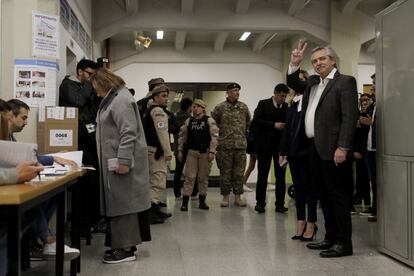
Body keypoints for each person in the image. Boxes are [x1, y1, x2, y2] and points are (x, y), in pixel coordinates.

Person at [287, 41, 358, 257]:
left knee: (338, 197)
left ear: (333, 60)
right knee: (323, 196)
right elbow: (292, 82)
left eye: (322, 59)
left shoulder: (345, 82)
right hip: (313, 148)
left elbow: (349, 117)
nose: (318, 63)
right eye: (314, 61)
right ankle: (330, 237)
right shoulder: (312, 83)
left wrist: (343, 146)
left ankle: (344, 243)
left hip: (334, 149)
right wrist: (294, 63)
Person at [91, 68, 151, 264]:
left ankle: (126, 249)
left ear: (103, 83)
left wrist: (124, 161)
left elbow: (128, 132)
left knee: (124, 205)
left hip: (121, 162)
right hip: (114, 161)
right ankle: (124, 245)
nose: (96, 92)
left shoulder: (121, 100)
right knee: (120, 204)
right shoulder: (115, 97)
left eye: (95, 88)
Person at [59, 59, 104, 235]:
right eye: (89, 73)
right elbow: (77, 102)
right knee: (83, 186)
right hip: (78, 142)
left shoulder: (88, 88)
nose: (91, 78)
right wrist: (89, 85)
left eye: (94, 75)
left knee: (93, 182)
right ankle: (83, 224)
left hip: (90, 139)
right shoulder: (68, 85)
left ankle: (92, 220)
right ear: (79, 71)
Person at [280, 70, 318, 241]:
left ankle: (312, 222)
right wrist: (283, 152)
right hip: (294, 152)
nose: (299, 84)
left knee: (310, 188)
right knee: (298, 188)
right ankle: (300, 220)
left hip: (308, 151)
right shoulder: (293, 104)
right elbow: (287, 130)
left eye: (302, 80)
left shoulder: (311, 102)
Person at [212, 83, 251, 207]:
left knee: (239, 173)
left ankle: (238, 197)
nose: (237, 93)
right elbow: (214, 123)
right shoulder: (220, 108)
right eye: (234, 90)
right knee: (225, 173)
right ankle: (225, 197)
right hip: (225, 146)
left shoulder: (243, 107)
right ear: (228, 92)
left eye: (238, 90)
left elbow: (248, 122)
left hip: (240, 146)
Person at [253, 83, 289, 213]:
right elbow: (256, 121)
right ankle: (260, 203)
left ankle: (280, 204)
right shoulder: (263, 104)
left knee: (281, 176)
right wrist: (273, 125)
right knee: (262, 175)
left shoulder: (286, 106)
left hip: (279, 147)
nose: (283, 99)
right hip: (264, 146)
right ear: (275, 93)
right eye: (281, 96)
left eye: (285, 96)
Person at [178, 99, 219, 211]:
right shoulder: (189, 121)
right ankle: (185, 202)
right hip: (191, 152)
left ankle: (202, 201)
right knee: (189, 177)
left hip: (205, 153)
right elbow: (182, 136)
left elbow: (215, 136)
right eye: (194, 106)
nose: (195, 108)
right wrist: (180, 150)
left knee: (202, 178)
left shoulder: (209, 120)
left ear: (203, 108)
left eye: (198, 106)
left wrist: (212, 151)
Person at [142, 84, 173, 223]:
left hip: (149, 150)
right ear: (155, 97)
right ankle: (149, 213)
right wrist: (168, 151)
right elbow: (162, 133)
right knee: (158, 181)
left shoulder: (149, 109)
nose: (166, 99)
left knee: (153, 180)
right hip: (155, 151)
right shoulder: (158, 111)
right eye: (163, 96)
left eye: (167, 96)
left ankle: (154, 210)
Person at [359, 74, 377, 222]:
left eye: (375, 83)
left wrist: (370, 122)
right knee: (373, 180)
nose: (373, 87)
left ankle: (378, 208)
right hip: (369, 148)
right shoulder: (373, 106)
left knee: (378, 181)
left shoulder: (384, 104)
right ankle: (374, 206)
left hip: (379, 149)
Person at [173, 98, 199, 199]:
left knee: (178, 171)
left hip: (177, 148)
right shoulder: (191, 119)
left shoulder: (174, 117)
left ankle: (177, 194)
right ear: (189, 107)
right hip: (189, 148)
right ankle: (193, 193)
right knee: (192, 171)